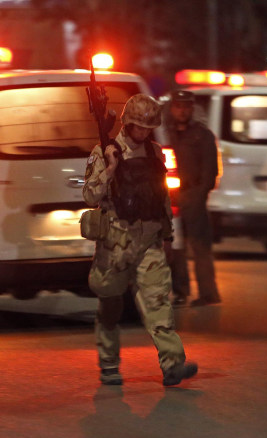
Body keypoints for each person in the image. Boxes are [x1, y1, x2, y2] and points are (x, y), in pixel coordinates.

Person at [83, 93, 198, 387]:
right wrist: (109, 169)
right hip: (116, 243)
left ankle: (173, 364)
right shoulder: (105, 151)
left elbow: (162, 197)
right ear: (127, 123)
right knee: (110, 306)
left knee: (158, 303)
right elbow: (90, 195)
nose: (144, 132)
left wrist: (169, 236)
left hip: (149, 240)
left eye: (149, 127)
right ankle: (108, 363)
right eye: (139, 127)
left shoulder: (155, 153)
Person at [165, 90, 222, 308]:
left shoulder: (203, 135)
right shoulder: (165, 135)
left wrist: (197, 197)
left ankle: (209, 293)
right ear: (172, 108)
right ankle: (181, 292)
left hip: (193, 197)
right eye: (178, 106)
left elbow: (210, 174)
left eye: (186, 107)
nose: (182, 110)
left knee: (200, 248)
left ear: (192, 109)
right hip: (171, 199)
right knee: (176, 248)